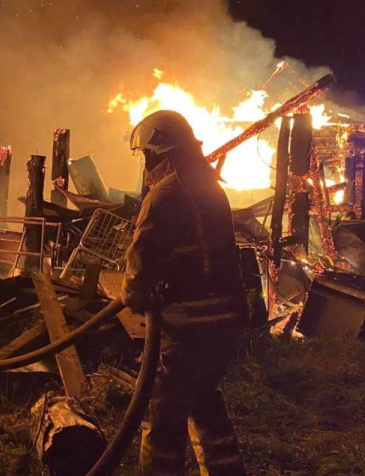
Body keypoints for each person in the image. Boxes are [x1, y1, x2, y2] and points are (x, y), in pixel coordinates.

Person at [122, 110, 248, 476]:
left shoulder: (164, 195)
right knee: (204, 397)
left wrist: (135, 294)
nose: (145, 165)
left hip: (189, 326)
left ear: (157, 153)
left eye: (146, 155)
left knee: (165, 414)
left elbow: (140, 271)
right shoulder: (212, 188)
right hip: (227, 322)